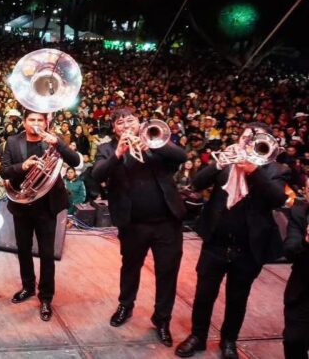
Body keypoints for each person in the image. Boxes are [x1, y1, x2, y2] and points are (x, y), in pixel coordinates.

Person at [175, 123, 290, 359]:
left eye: (254, 139)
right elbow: (197, 183)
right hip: (216, 243)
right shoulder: (227, 160)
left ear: (267, 143)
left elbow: (278, 198)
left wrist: (254, 171)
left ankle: (229, 340)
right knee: (204, 294)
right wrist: (218, 163)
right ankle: (197, 336)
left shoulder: (276, 169)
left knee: (237, 298)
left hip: (248, 249)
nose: (248, 142)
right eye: (245, 137)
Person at [92, 108, 187, 347]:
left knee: (167, 272)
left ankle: (162, 319)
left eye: (130, 120)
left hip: (167, 223)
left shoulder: (155, 139)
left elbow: (181, 156)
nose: (125, 125)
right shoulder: (107, 149)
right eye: (120, 122)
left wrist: (155, 146)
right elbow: (96, 175)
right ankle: (126, 305)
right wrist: (118, 153)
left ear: (139, 123)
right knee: (130, 267)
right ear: (114, 128)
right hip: (132, 224)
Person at [0, 110, 81, 321]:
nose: (35, 123)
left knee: (47, 254)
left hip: (47, 207)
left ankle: (46, 297)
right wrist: (23, 166)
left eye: (39, 120)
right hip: (22, 204)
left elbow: (75, 161)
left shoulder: (54, 140)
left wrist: (58, 144)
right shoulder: (13, 141)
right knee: (23, 249)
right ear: (24, 122)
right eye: (31, 119)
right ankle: (28, 287)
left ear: (46, 122)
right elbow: (3, 171)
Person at [283, 197, 309, 359]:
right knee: (293, 341)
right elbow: (290, 250)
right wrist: (305, 241)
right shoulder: (299, 213)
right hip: (302, 292)